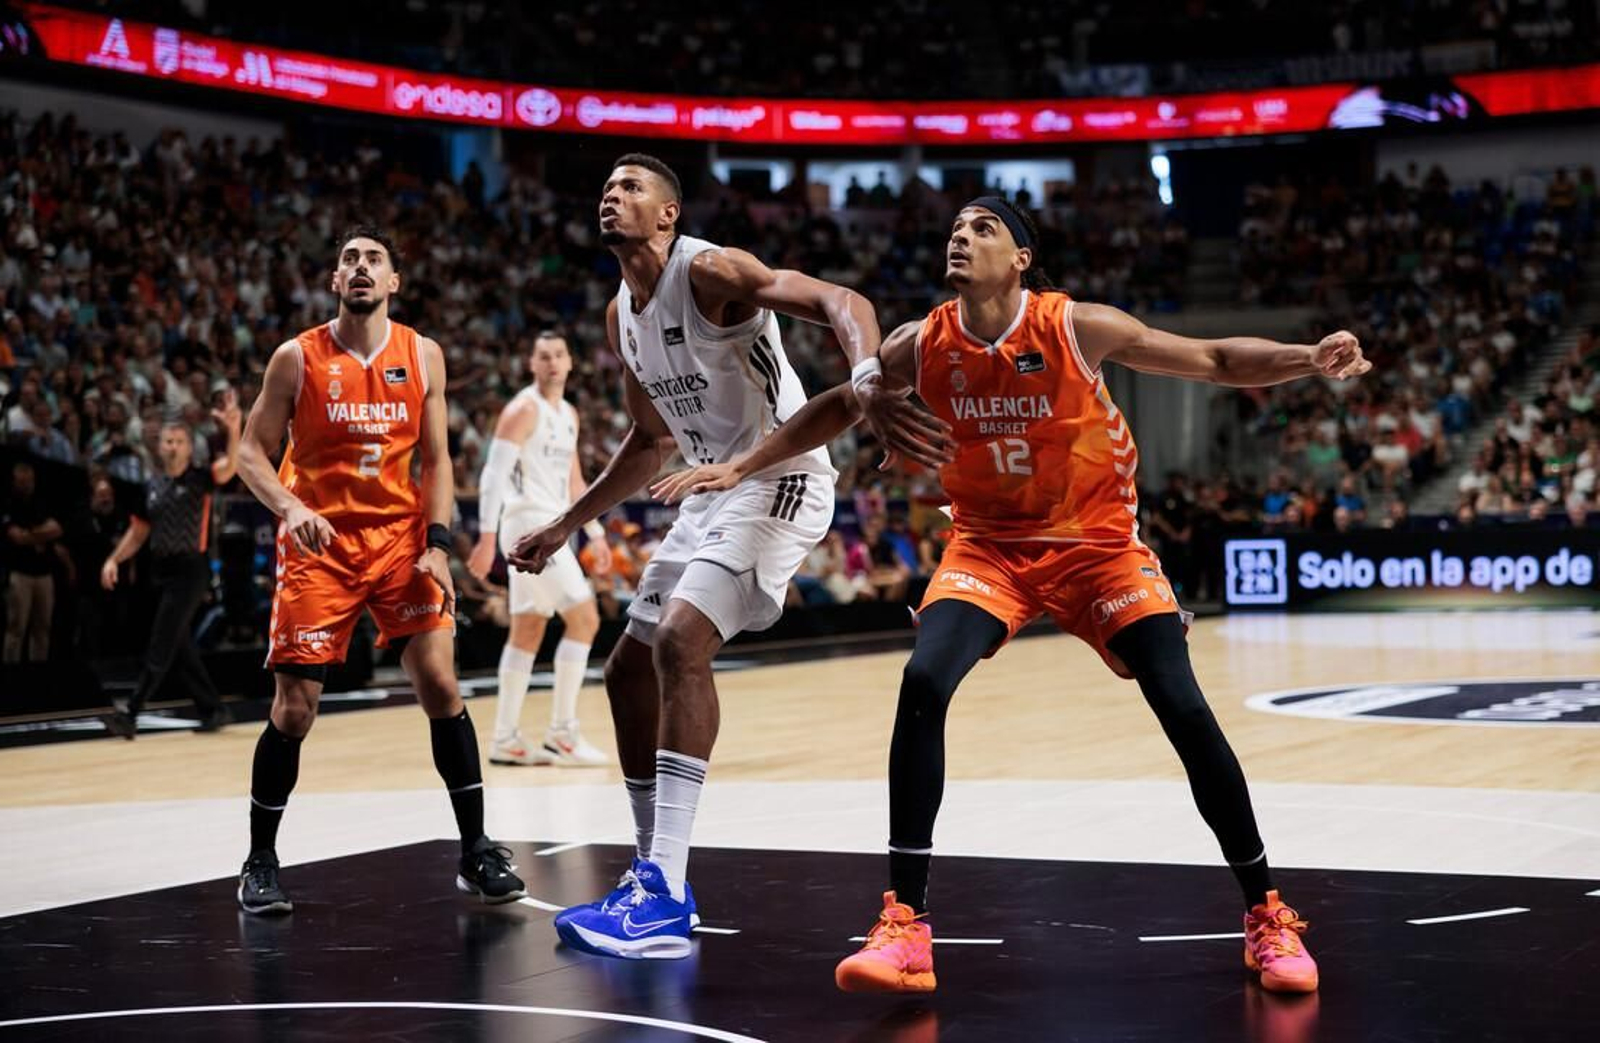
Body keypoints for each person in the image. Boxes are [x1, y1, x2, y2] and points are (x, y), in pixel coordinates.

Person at [653, 195, 1370, 994]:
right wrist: (743, 465)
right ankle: (905, 926)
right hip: (989, 549)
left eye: (983, 228)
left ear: (1021, 257)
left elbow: (1213, 361)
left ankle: (1267, 913)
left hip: (1098, 548)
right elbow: (835, 407)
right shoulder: (920, 343)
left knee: (1181, 700)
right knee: (923, 679)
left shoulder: (1075, 326)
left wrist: (1310, 356)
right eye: (955, 228)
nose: (961, 237)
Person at [506, 153, 905, 960]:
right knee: (625, 669)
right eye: (605, 185)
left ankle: (664, 886)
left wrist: (864, 375)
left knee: (682, 639)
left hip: (783, 474)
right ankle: (657, 874)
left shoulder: (712, 269)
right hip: (709, 488)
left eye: (630, 187)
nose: (610, 195)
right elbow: (650, 444)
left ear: (669, 214)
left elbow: (840, 299)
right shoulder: (622, 318)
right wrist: (563, 524)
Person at [231, 226, 524, 915]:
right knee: (294, 710)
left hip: (399, 542)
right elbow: (250, 452)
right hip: (319, 544)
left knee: (441, 681)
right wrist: (289, 505)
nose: (360, 268)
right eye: (349, 260)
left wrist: (440, 544)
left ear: (393, 281)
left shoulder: (423, 355)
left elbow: (439, 460)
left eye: (374, 260)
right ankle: (260, 859)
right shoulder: (295, 358)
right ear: (336, 281)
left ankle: (476, 848)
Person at [468, 331, 612, 767]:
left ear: (570, 363)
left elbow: (574, 483)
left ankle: (506, 739)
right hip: (528, 524)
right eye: (543, 355)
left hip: (551, 523)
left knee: (528, 628)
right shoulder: (521, 410)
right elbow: (493, 476)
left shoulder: (568, 413)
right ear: (532, 364)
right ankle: (562, 735)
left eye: (558, 355)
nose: (551, 362)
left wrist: (598, 533)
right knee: (585, 619)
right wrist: (487, 538)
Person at [101, 394, 242, 738]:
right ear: (159, 446)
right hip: (161, 571)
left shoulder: (201, 478)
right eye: (168, 441)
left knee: (162, 641)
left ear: (189, 447)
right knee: (179, 646)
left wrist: (233, 430)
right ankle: (213, 709)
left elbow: (230, 467)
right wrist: (113, 559)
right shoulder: (151, 486)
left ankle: (131, 713)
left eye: (180, 441)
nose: (174, 446)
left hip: (192, 570)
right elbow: (138, 532)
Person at [3, 461, 64, 663]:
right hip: (20, 573)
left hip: (44, 574)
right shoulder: (8, 504)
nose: (26, 485)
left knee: (42, 627)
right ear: (14, 482)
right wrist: (40, 535)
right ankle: (11, 673)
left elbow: (57, 529)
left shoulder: (41, 502)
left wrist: (29, 535)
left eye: (29, 481)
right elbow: (16, 537)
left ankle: (38, 674)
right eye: (22, 482)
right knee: (16, 627)